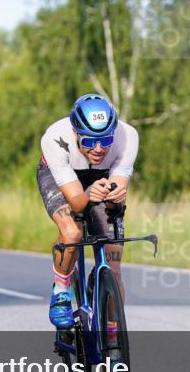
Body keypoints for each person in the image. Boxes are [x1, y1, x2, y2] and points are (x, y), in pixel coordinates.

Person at [38, 94, 139, 343]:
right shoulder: (54, 137)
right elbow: (77, 202)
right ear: (75, 133)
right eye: (89, 141)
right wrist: (88, 196)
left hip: (103, 175)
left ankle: (114, 339)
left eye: (105, 140)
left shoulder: (128, 137)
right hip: (62, 176)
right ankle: (61, 291)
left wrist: (115, 197)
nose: (98, 149)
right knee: (72, 233)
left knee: (114, 269)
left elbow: (118, 190)